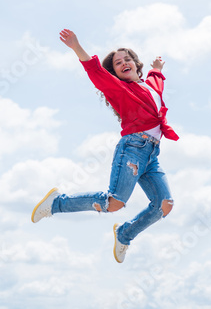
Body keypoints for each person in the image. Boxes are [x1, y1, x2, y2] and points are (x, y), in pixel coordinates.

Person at [31, 29, 179, 263]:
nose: (123, 63)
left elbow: (156, 78)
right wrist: (76, 46)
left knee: (164, 205)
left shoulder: (151, 86)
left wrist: (157, 67)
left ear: (135, 64)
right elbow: (96, 71)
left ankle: (125, 233)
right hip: (133, 148)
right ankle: (56, 203)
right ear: (116, 73)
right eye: (118, 63)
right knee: (114, 203)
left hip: (151, 155)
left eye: (127, 59)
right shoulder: (118, 89)